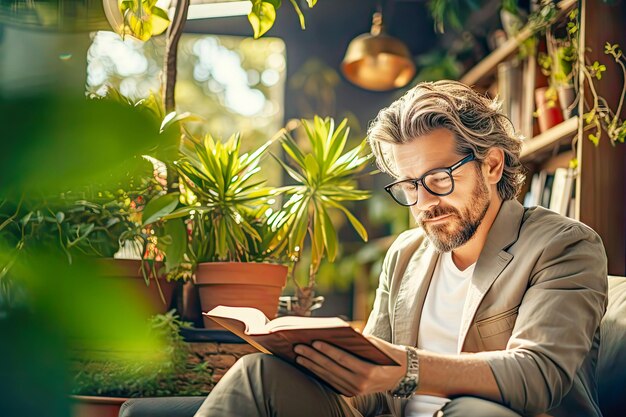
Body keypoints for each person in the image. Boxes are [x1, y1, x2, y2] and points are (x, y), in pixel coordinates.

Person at [194, 80, 608, 417]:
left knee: (475, 412)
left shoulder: (564, 245)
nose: (425, 202)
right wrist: (322, 364)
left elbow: (539, 375)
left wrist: (405, 369)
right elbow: (373, 392)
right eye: (409, 185)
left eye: (440, 178)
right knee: (258, 374)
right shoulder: (407, 254)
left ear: (493, 164)